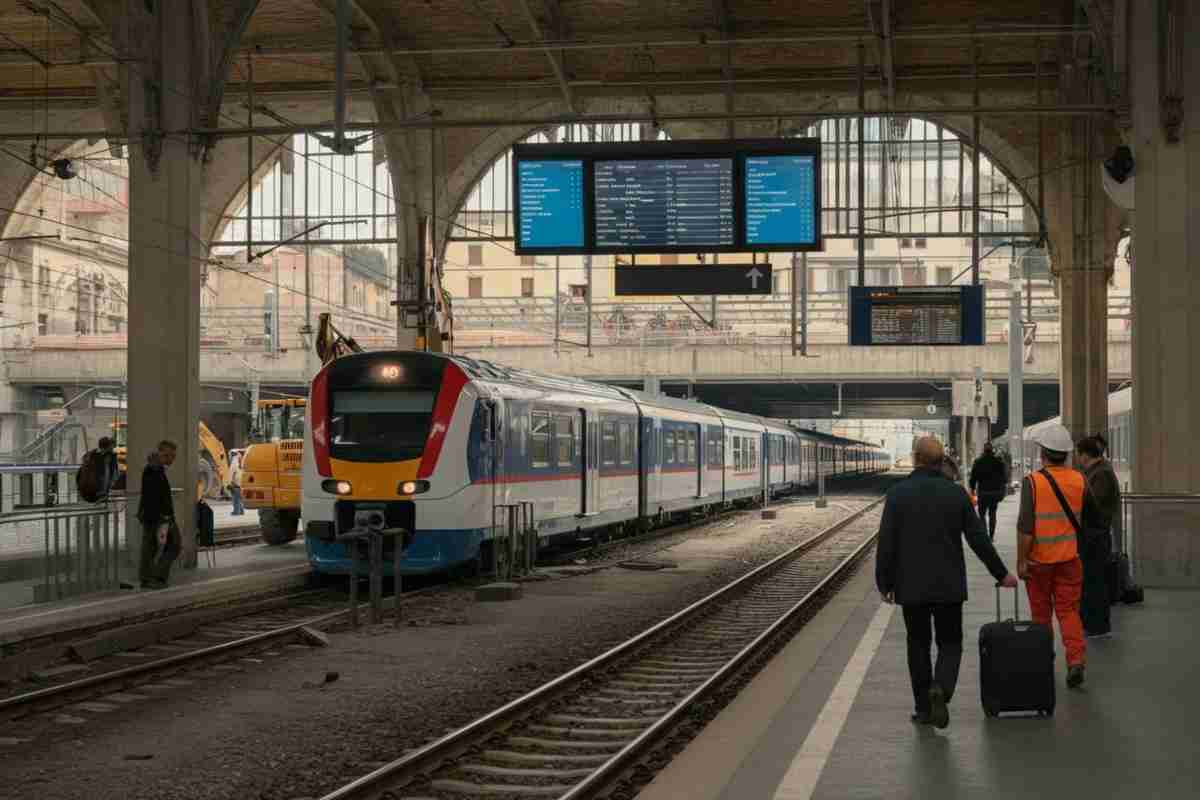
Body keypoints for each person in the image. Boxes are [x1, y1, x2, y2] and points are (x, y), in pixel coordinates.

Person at [876, 436, 1018, 730]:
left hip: (911, 586)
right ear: (942, 461)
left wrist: (884, 582)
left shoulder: (898, 494)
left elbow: (886, 544)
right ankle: (941, 687)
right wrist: (1001, 573)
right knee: (950, 643)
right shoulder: (956, 495)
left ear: (915, 458)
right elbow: (978, 539)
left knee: (917, 645)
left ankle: (923, 709)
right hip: (949, 585)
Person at [1017, 423, 1104, 688]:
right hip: (1069, 560)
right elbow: (1093, 518)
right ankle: (1075, 662)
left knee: (1041, 616)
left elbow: (1025, 528)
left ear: (1042, 452)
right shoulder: (1080, 480)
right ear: (1066, 454)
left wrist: (1022, 560)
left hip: (1039, 563)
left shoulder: (1032, 483)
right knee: (1069, 613)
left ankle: (1043, 662)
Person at [1075, 433, 1120, 637]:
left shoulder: (1100, 473)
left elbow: (1094, 504)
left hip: (1095, 536)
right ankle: (1092, 623)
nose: (1078, 460)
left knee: (1095, 582)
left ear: (1085, 455)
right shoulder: (1098, 471)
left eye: (1079, 455)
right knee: (1092, 580)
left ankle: (1097, 625)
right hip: (1094, 535)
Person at [137, 440, 179, 590]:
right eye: (168, 455)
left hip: (158, 516)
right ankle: (154, 578)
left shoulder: (156, 468)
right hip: (158, 517)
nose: (171, 459)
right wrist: (165, 516)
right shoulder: (154, 470)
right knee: (171, 545)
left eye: (173, 456)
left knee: (153, 547)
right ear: (161, 454)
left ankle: (152, 578)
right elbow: (153, 496)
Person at [970, 442, 1008, 540]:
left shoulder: (978, 462)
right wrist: (1002, 489)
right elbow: (1004, 478)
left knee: (982, 514)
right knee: (992, 513)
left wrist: (973, 489)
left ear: (984, 450)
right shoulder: (998, 462)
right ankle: (991, 535)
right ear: (992, 450)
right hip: (995, 492)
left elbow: (973, 477)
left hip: (983, 492)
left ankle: (984, 534)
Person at [229, 452, 245, 516]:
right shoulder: (241, 460)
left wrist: (229, 483)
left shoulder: (234, 462)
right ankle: (241, 511)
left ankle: (236, 511)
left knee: (235, 499)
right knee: (239, 498)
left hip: (236, 483)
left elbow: (231, 473)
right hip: (241, 483)